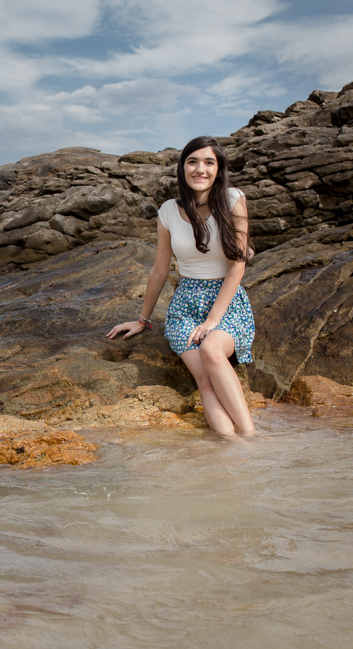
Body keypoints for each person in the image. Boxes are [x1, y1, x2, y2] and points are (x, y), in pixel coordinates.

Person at [107, 136, 256, 436]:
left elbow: (237, 265)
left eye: (209, 162)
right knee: (205, 379)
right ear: (182, 168)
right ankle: (235, 448)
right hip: (185, 305)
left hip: (225, 301)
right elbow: (160, 270)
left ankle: (251, 437)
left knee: (212, 351)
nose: (200, 169)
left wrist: (213, 320)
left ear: (218, 170)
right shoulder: (168, 212)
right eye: (192, 161)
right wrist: (142, 319)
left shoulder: (233, 200)